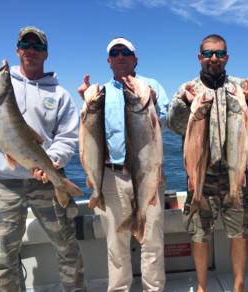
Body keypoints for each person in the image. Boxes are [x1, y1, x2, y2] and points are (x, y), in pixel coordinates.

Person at [0, 26, 85, 291]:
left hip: (46, 181)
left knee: (68, 248)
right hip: (4, 183)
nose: (31, 51)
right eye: (25, 45)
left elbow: (68, 136)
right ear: (17, 50)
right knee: (5, 257)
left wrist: (53, 162)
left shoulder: (60, 94)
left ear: (46, 53)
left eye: (37, 47)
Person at [167, 34, 248, 292]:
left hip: (236, 174)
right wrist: (184, 104)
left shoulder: (239, 87)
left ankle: (239, 286)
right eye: (209, 54)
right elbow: (174, 125)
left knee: (240, 234)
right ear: (200, 56)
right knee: (199, 235)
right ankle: (202, 286)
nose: (214, 59)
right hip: (201, 175)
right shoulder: (188, 89)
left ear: (227, 58)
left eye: (219, 54)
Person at [78, 37, 169, 292]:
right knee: (115, 242)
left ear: (135, 59)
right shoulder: (99, 93)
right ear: (108, 61)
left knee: (152, 241)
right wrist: (85, 102)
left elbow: (167, 118)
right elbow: (89, 135)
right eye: (115, 53)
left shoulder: (151, 86)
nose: (120, 56)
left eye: (125, 52)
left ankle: (154, 289)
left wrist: (153, 102)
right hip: (111, 175)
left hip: (148, 173)